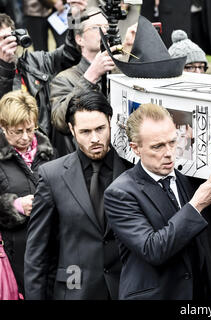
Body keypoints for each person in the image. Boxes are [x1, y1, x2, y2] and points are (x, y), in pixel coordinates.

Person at [104, 103, 211, 300]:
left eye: (172, 142)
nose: (169, 152)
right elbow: (153, 249)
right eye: (158, 146)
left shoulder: (189, 178)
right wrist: (196, 206)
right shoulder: (120, 193)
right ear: (135, 148)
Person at [24, 90, 133, 300]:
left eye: (100, 128)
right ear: (72, 130)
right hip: (74, 291)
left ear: (110, 122)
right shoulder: (51, 176)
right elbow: (37, 253)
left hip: (127, 290)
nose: (95, 138)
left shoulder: (132, 170)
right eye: (85, 131)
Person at [50, 8, 134, 157]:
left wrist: (132, 50)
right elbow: (60, 122)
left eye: (107, 28)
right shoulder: (64, 78)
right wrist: (90, 77)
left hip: (122, 155)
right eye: (96, 28)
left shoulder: (119, 72)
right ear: (79, 39)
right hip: (84, 156)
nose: (104, 32)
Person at [0, 0, 85, 139]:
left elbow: (69, 55)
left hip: (46, 143)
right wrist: (5, 67)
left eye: (8, 37)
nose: (7, 43)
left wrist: (74, 18)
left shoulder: (35, 61)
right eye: (1, 39)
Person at [0, 90, 54, 299]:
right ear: (3, 127)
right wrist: (15, 206)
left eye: (29, 129)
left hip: (49, 244)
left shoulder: (46, 149)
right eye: (17, 131)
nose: (25, 137)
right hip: (16, 250)